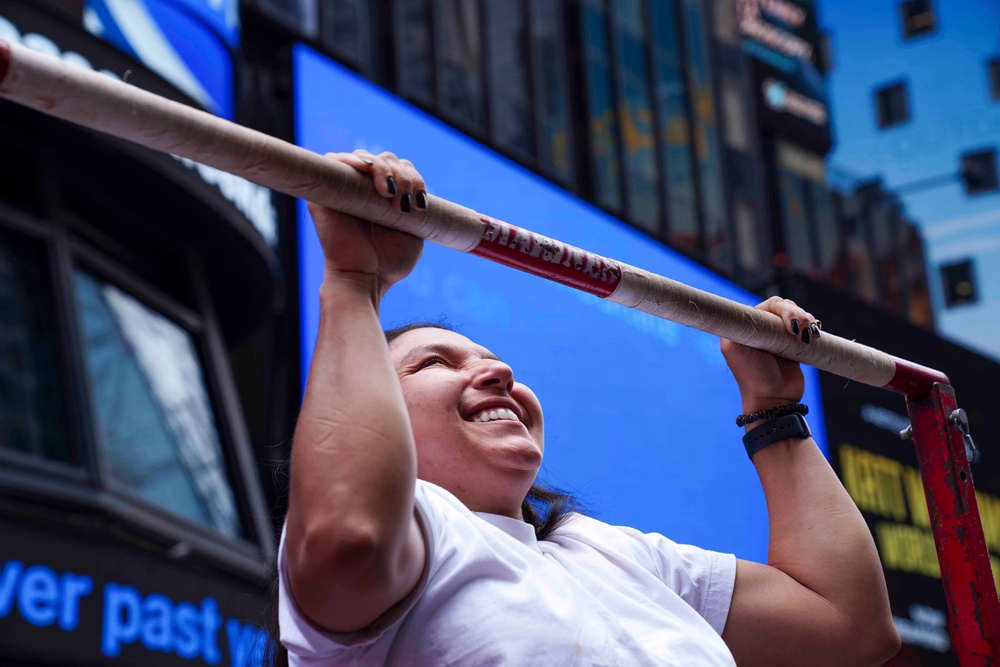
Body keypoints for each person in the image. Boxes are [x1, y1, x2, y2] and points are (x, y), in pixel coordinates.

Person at [275, 150, 901, 666]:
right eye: (435, 364)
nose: (497, 372)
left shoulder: (611, 555)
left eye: (494, 362)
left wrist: (773, 411)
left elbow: (848, 624)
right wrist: (357, 283)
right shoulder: (420, 539)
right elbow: (351, 531)